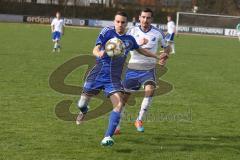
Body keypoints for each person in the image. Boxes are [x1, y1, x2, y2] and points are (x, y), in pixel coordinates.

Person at [75, 11, 168, 146]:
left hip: (113, 79)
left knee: (118, 105)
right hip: (98, 74)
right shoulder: (107, 32)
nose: (120, 24)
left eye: (123, 22)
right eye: (118, 21)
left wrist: (157, 57)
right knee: (81, 103)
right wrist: (99, 52)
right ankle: (84, 110)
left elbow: (141, 50)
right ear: (114, 21)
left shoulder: (129, 39)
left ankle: (107, 137)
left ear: (126, 23)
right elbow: (95, 48)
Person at [114, 8, 170, 134]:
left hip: (148, 69)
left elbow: (167, 47)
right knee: (124, 99)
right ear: (139, 18)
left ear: (152, 19)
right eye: (143, 17)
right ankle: (117, 125)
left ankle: (139, 119)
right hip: (133, 68)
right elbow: (121, 45)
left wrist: (165, 56)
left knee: (150, 90)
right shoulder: (131, 31)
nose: (145, 20)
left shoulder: (158, 33)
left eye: (148, 17)